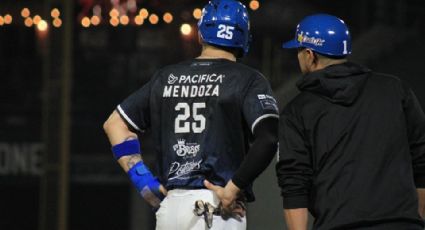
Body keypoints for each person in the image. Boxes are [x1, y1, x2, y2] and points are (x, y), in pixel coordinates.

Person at [103, 0, 279, 229]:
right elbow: (268, 138)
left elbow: (114, 124)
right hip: (217, 206)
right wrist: (234, 188)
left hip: (171, 208)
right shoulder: (248, 79)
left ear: (201, 33)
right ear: (244, 37)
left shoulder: (166, 77)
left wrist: (145, 182)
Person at [275, 13, 425, 230]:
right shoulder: (395, 89)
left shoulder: (297, 111)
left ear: (309, 55)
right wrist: (418, 218)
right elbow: (422, 158)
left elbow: (294, 185)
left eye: (298, 51)